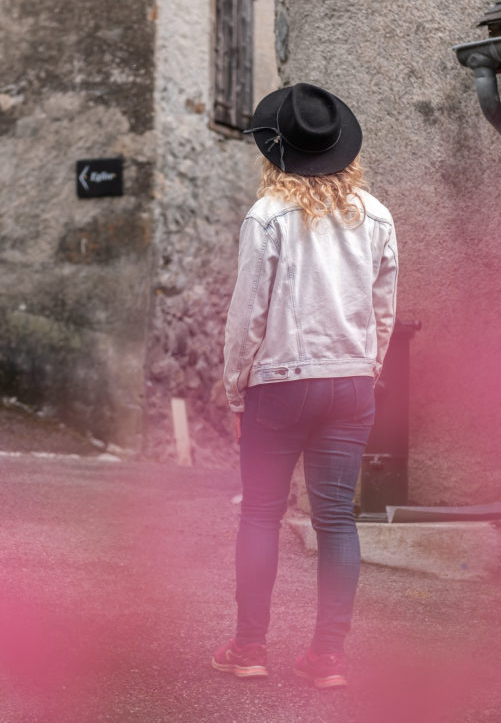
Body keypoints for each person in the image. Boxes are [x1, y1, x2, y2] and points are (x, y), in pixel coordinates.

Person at [212, 83, 398, 689]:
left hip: (281, 385)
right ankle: (328, 659)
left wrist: (236, 384)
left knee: (261, 517)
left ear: (276, 152)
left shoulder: (267, 217)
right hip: (350, 384)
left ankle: (249, 648)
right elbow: (383, 308)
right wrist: (368, 367)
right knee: (337, 521)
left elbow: (249, 314)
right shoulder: (375, 214)